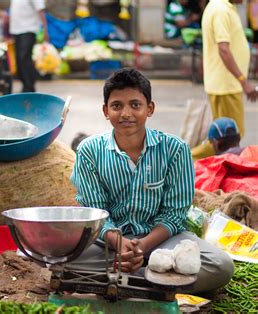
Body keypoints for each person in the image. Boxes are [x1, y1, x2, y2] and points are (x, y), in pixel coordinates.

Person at [68, 68, 234, 293]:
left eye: (135, 105)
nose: (126, 113)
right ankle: (157, 281)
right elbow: (95, 211)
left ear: (150, 109)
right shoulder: (89, 151)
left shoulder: (175, 149)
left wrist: (142, 247)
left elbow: (174, 214)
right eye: (117, 106)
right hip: (107, 242)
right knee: (58, 259)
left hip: (161, 240)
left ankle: (119, 283)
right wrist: (118, 243)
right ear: (106, 111)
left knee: (220, 266)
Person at [192, 0, 258, 160]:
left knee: (226, 137)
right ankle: (184, 158)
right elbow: (223, 49)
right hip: (226, 84)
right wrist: (243, 81)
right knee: (228, 137)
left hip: (226, 84)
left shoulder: (223, 7)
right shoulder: (220, 10)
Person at [9, 0, 49, 93]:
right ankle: (25, 85)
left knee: (24, 58)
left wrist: (45, 31)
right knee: (19, 59)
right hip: (16, 30)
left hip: (29, 30)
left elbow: (41, 11)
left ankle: (29, 86)